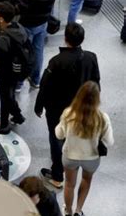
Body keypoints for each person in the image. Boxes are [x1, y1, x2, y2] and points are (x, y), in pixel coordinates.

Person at [35, 22, 100, 190]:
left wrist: (39, 105)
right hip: (81, 109)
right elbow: (96, 83)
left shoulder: (56, 61)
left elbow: (45, 85)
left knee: (56, 138)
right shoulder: (91, 58)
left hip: (58, 110)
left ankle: (57, 175)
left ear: (65, 39)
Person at [56, 81, 113, 216]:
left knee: (69, 184)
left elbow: (59, 134)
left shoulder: (69, 114)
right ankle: (78, 212)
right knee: (86, 181)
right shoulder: (102, 118)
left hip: (70, 156)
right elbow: (109, 141)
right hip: (92, 158)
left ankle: (67, 214)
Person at [18, 0, 61, 88]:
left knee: (24, 54)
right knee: (38, 52)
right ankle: (36, 80)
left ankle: (19, 83)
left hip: (28, 23)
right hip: (43, 22)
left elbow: (22, 6)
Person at [0, 1, 32, 133]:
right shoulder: (19, 28)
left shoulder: (3, 38)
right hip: (17, 71)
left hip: (5, 73)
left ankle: (3, 125)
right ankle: (17, 115)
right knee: (9, 95)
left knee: (4, 98)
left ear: (1, 19)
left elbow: (1, 60)